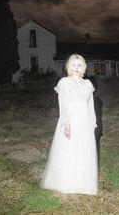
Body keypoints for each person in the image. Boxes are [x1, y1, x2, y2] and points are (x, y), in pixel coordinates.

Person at [40, 54, 98, 195]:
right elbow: (63, 104)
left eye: (79, 65)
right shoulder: (65, 82)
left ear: (84, 67)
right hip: (70, 120)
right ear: (68, 67)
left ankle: (82, 183)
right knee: (69, 149)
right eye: (73, 65)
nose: (76, 68)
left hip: (84, 122)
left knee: (83, 150)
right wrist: (66, 123)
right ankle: (66, 182)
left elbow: (90, 106)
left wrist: (92, 123)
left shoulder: (88, 84)